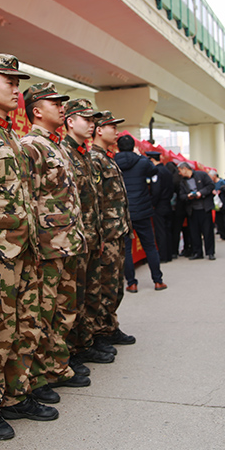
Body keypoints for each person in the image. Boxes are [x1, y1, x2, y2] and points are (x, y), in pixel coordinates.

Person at [0, 54, 57, 442]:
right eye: (9, 82)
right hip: (0, 253)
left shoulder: (10, 135)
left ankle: (16, 396)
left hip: (25, 248)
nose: (16, 89)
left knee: (24, 326)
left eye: (18, 83)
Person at [20, 82, 91, 404]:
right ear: (37, 110)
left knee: (64, 310)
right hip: (48, 246)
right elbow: (28, 198)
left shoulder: (56, 145)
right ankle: (38, 375)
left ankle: (56, 366)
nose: (62, 107)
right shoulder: (32, 146)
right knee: (43, 313)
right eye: (55, 103)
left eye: (63, 103)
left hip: (67, 242)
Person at [61, 99, 115, 369]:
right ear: (70, 121)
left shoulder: (84, 153)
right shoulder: (65, 153)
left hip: (92, 238)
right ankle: (73, 350)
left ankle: (87, 342)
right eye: (86, 119)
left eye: (94, 120)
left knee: (90, 294)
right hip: (75, 241)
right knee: (74, 298)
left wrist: (99, 236)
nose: (92, 124)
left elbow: (93, 200)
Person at [90, 110, 140, 354]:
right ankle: (100, 332)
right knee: (104, 285)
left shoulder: (108, 157)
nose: (117, 131)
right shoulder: (94, 158)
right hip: (106, 234)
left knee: (115, 284)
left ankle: (110, 325)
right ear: (99, 130)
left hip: (117, 231)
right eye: (112, 126)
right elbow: (95, 201)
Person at [114, 134, 164, 291]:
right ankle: (158, 281)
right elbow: (154, 170)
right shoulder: (142, 162)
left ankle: (131, 283)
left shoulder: (113, 162)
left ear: (118, 147)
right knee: (150, 246)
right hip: (142, 211)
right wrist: (137, 155)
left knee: (126, 250)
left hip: (123, 211)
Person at [176, 162, 216, 260]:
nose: (179, 173)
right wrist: (188, 196)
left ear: (185, 168)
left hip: (205, 208)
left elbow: (211, 186)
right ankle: (197, 252)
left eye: (180, 170)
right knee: (194, 232)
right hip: (192, 210)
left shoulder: (201, 175)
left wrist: (200, 193)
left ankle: (210, 252)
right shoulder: (182, 182)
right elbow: (181, 196)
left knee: (208, 231)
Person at [147, 151, 175, 262]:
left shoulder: (156, 172)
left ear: (152, 160)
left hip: (159, 205)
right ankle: (169, 254)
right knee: (168, 230)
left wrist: (153, 203)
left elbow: (156, 190)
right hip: (167, 203)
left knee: (160, 231)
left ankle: (163, 256)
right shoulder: (167, 171)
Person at [212, 171, 225, 241]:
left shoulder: (222, 182)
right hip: (217, 204)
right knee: (219, 220)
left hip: (224, 203)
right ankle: (222, 235)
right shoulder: (212, 183)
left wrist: (221, 190)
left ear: (214, 176)